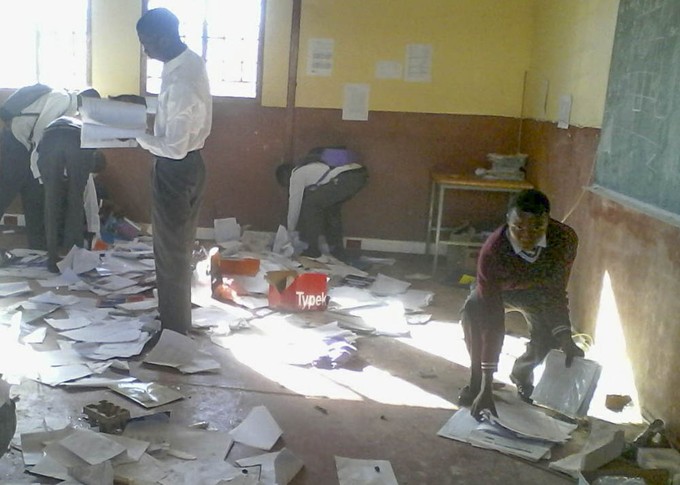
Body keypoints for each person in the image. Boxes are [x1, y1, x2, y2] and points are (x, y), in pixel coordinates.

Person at [458, 188, 584, 420]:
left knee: (548, 337)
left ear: (548, 222)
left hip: (538, 292)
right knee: (474, 312)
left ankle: (521, 375)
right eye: (518, 228)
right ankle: (477, 381)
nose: (527, 235)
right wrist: (487, 382)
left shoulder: (565, 239)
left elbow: (555, 292)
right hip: (500, 292)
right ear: (508, 221)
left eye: (537, 227)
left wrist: (565, 337)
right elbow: (492, 321)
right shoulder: (493, 251)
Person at [135, 8, 212, 334]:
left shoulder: (181, 80)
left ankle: (174, 330)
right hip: (188, 166)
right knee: (174, 248)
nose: (145, 50)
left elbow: (174, 147)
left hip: (176, 168)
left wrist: (134, 136)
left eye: (146, 42)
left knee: (171, 252)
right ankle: (175, 320)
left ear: (163, 37)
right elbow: (172, 112)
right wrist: (141, 107)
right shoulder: (185, 62)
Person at [0, 86, 97, 249]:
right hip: (18, 143)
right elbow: (41, 133)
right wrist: (38, 168)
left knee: (35, 201)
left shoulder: (67, 107)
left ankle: (37, 250)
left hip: (26, 147)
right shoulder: (62, 99)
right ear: (87, 102)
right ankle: (38, 247)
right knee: (6, 192)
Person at [37, 116, 106, 273]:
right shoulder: (89, 159)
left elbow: (38, 160)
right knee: (75, 200)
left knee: (51, 201)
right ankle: (73, 257)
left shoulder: (62, 123)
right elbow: (90, 205)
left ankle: (52, 258)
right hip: (77, 138)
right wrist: (96, 233)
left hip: (49, 137)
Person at [275, 159, 368, 261]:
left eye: (286, 185)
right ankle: (337, 250)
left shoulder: (296, 175)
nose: (288, 187)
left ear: (285, 177)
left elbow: (294, 205)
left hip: (345, 177)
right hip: (357, 175)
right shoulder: (309, 168)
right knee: (331, 210)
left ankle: (313, 250)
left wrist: (290, 230)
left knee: (311, 204)